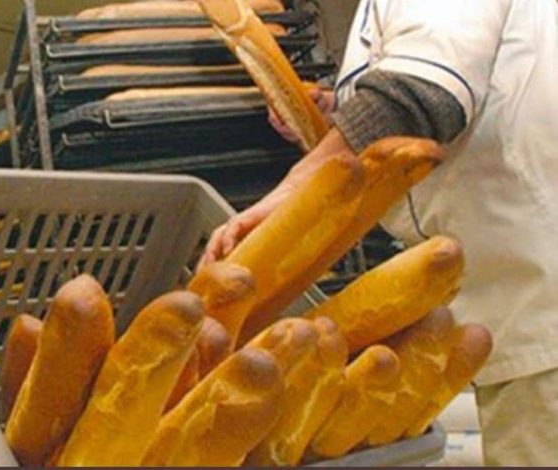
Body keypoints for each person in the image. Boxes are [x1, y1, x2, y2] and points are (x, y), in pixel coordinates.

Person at [201, 0, 558, 465]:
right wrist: (343, 114)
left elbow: (420, 94)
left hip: (537, 297)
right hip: (517, 294)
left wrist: (294, 189)